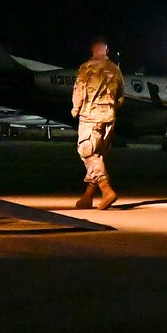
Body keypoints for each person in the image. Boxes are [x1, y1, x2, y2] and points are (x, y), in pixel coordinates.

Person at [71, 38, 125, 210]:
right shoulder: (115, 69)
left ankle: (106, 190)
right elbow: (121, 96)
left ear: (92, 50)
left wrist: (75, 108)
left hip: (90, 115)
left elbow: (79, 90)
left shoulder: (87, 67)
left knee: (87, 152)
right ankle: (87, 197)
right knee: (98, 156)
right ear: (106, 51)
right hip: (109, 117)